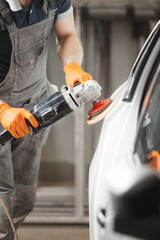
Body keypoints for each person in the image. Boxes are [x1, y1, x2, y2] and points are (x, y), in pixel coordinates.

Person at [0, 0, 92, 238]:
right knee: (1, 211)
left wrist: (72, 65)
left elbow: (67, 34)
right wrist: (2, 111)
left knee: (23, 199)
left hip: (34, 107)